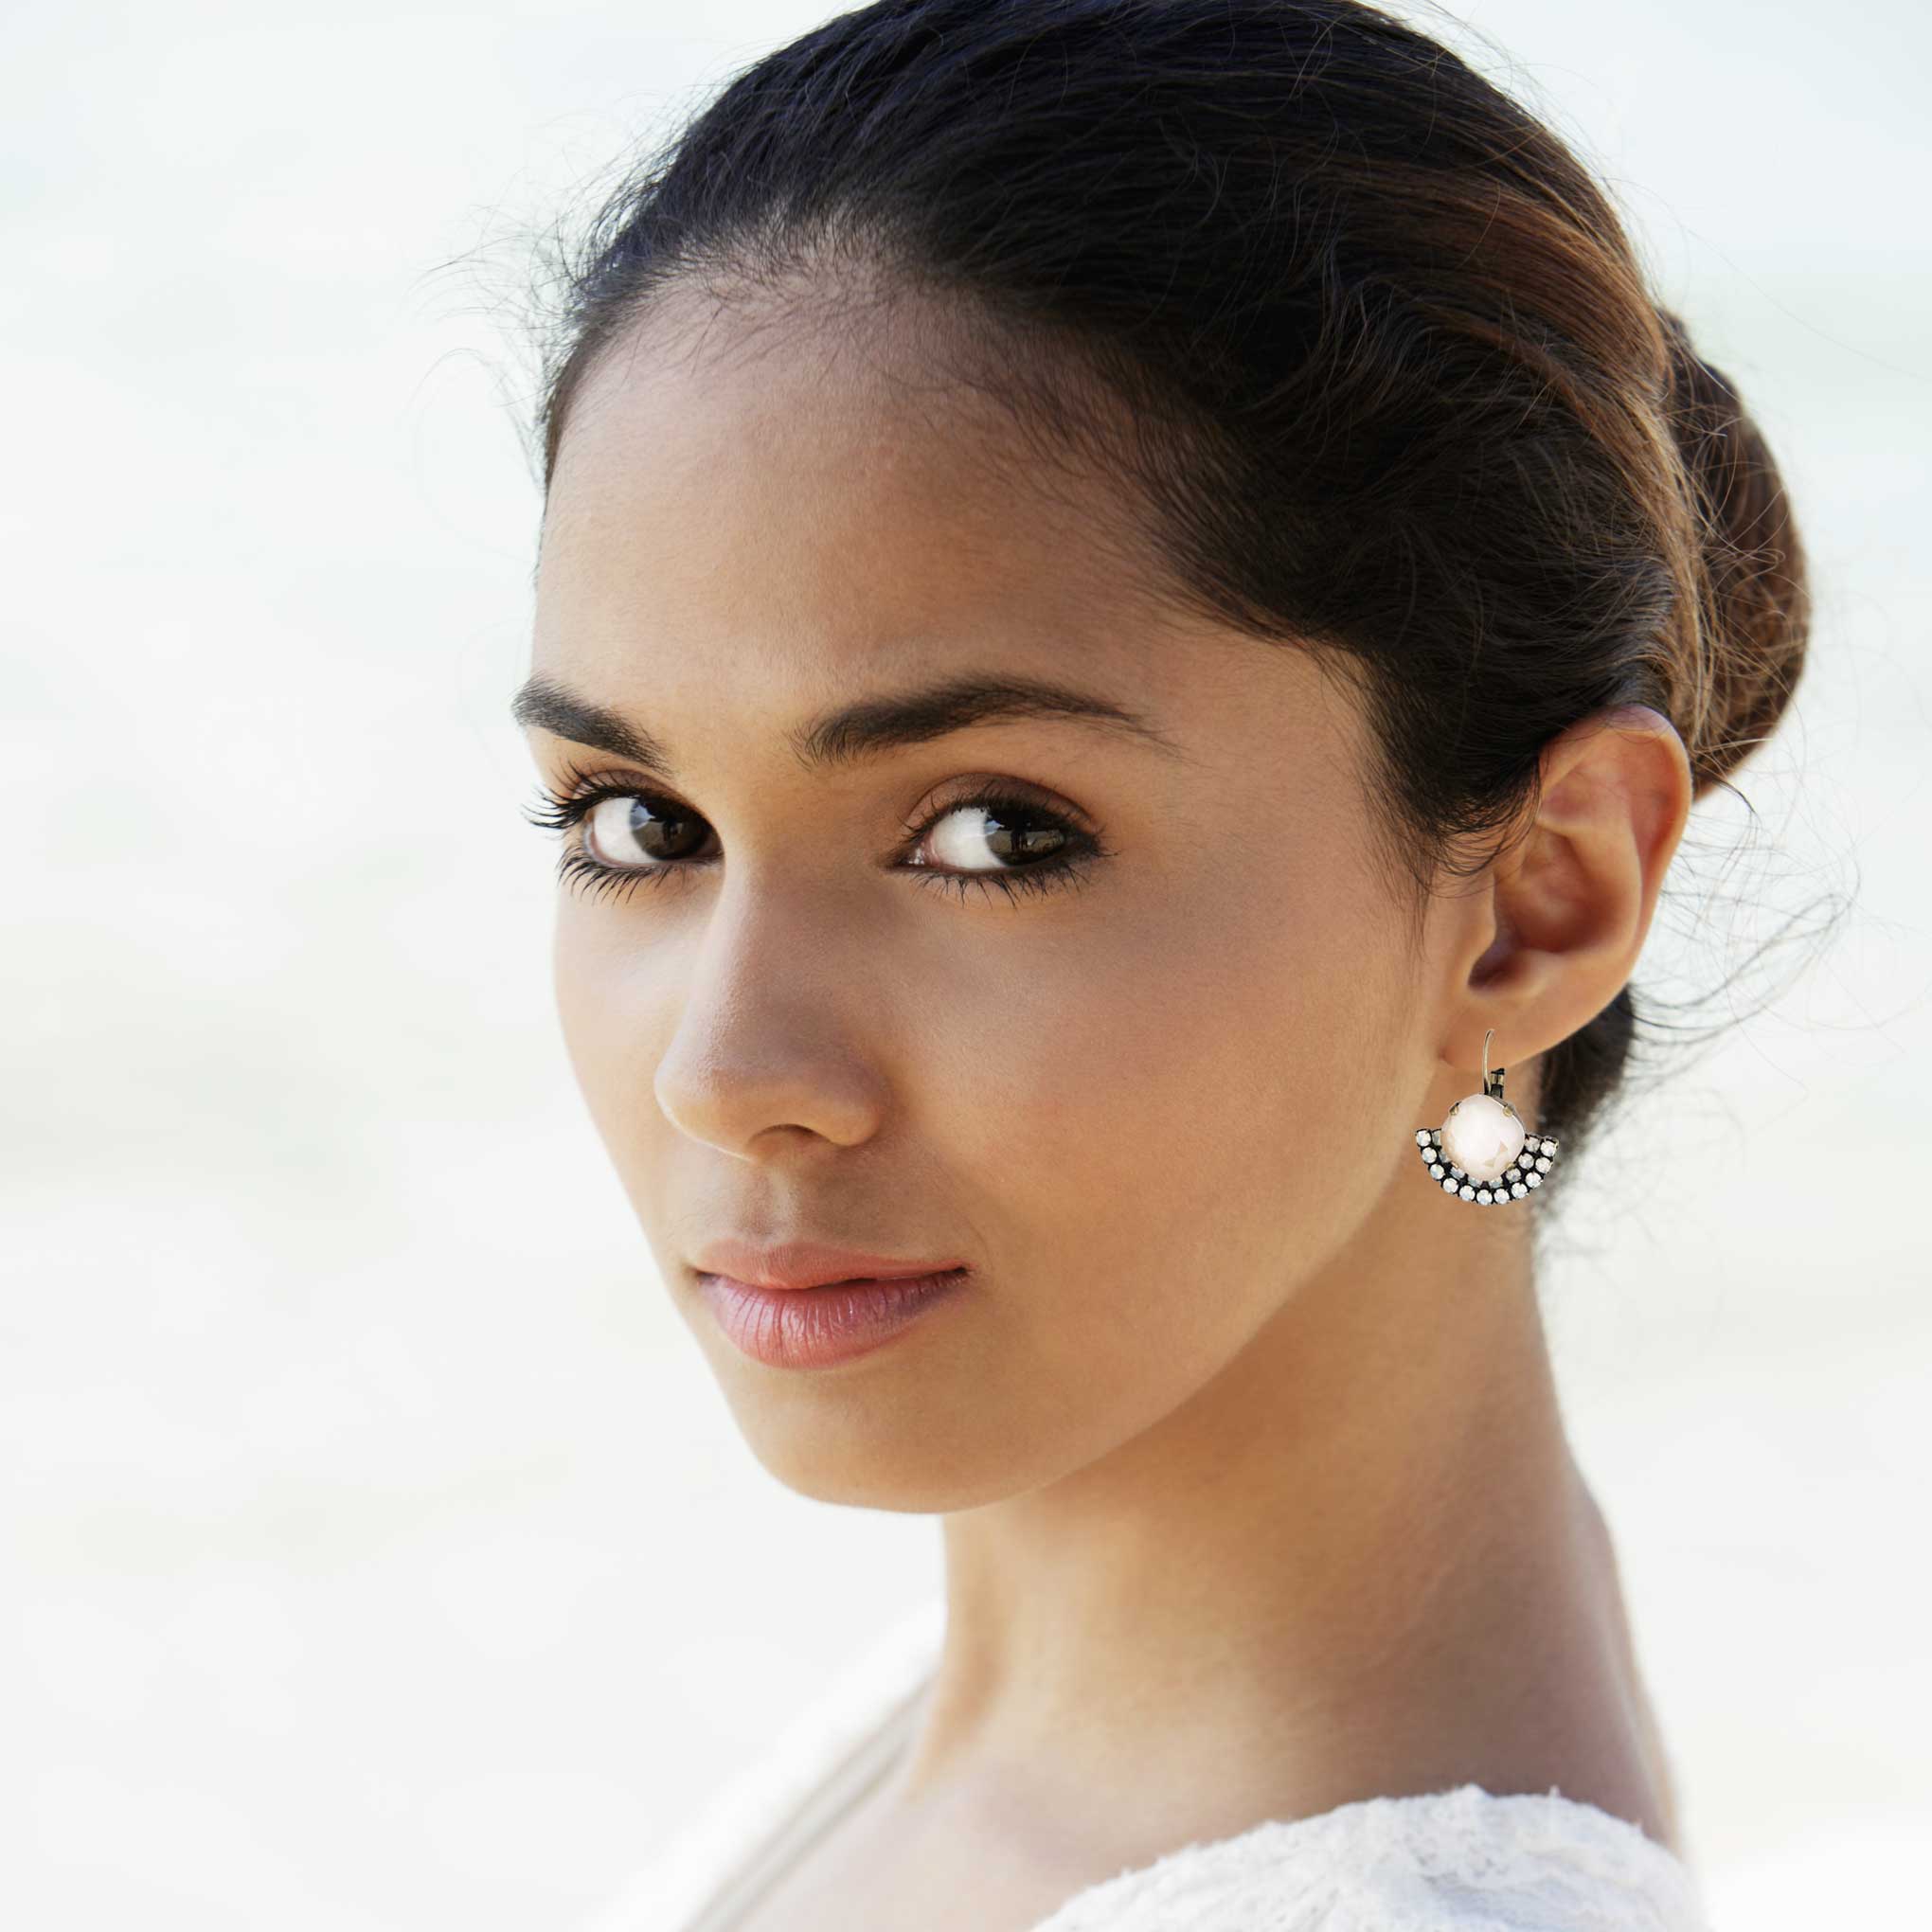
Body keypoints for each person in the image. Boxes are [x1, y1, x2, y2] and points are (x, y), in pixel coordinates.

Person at [507, 1, 1809, 1925]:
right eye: (639, 823)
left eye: (993, 835)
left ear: (1543, 900)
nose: (729, 1066)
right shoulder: (1075, 1712)